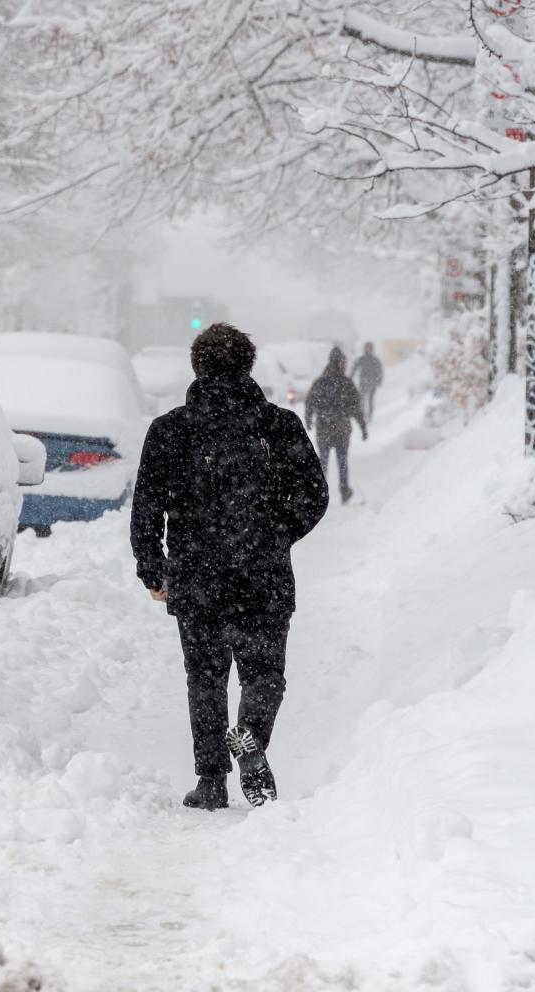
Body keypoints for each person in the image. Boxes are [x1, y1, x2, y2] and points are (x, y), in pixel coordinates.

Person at [130, 323, 329, 811]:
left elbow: (147, 505)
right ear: (248, 367)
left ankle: (212, 780)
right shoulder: (278, 426)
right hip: (263, 576)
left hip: (197, 576)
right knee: (264, 673)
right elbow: (314, 495)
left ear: (197, 368)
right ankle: (251, 733)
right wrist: (275, 535)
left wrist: (153, 568)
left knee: (205, 677)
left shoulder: (171, 429)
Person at [305, 346, 367, 505]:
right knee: (342, 463)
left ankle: (317, 494)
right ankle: (344, 491)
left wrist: (309, 419)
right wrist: (363, 426)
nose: (345, 364)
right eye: (342, 361)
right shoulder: (346, 383)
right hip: (341, 430)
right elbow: (355, 407)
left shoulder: (320, 382)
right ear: (338, 362)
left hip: (324, 429)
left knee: (322, 464)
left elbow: (310, 402)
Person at [351, 342, 384, 422]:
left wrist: (379, 380)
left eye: (370, 348)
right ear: (364, 349)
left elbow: (379, 371)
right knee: (361, 399)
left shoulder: (375, 360)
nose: (368, 349)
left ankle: (370, 415)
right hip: (363, 382)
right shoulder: (362, 359)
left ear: (372, 349)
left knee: (370, 400)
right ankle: (362, 414)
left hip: (372, 383)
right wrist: (351, 376)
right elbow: (355, 367)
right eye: (367, 348)